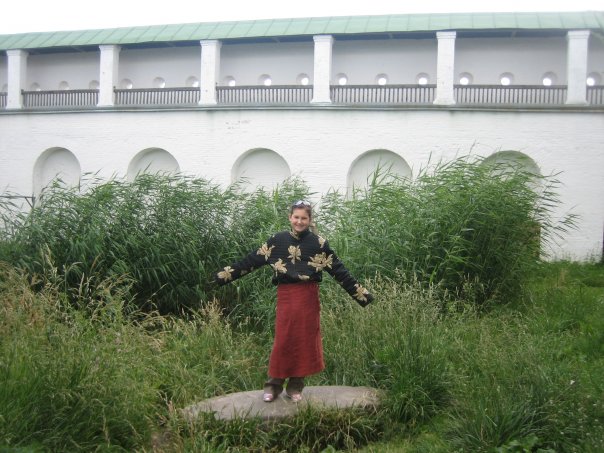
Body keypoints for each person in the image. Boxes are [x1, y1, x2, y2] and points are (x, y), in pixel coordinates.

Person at [214, 200, 374, 403]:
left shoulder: (319, 244)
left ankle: (295, 387)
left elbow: (339, 271)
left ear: (310, 220)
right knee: (283, 341)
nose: (299, 221)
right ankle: (273, 386)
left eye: (304, 218)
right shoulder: (277, 241)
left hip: (308, 298)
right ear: (290, 218)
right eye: (296, 217)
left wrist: (363, 296)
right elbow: (250, 261)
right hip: (287, 297)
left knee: (303, 341)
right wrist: (220, 277)